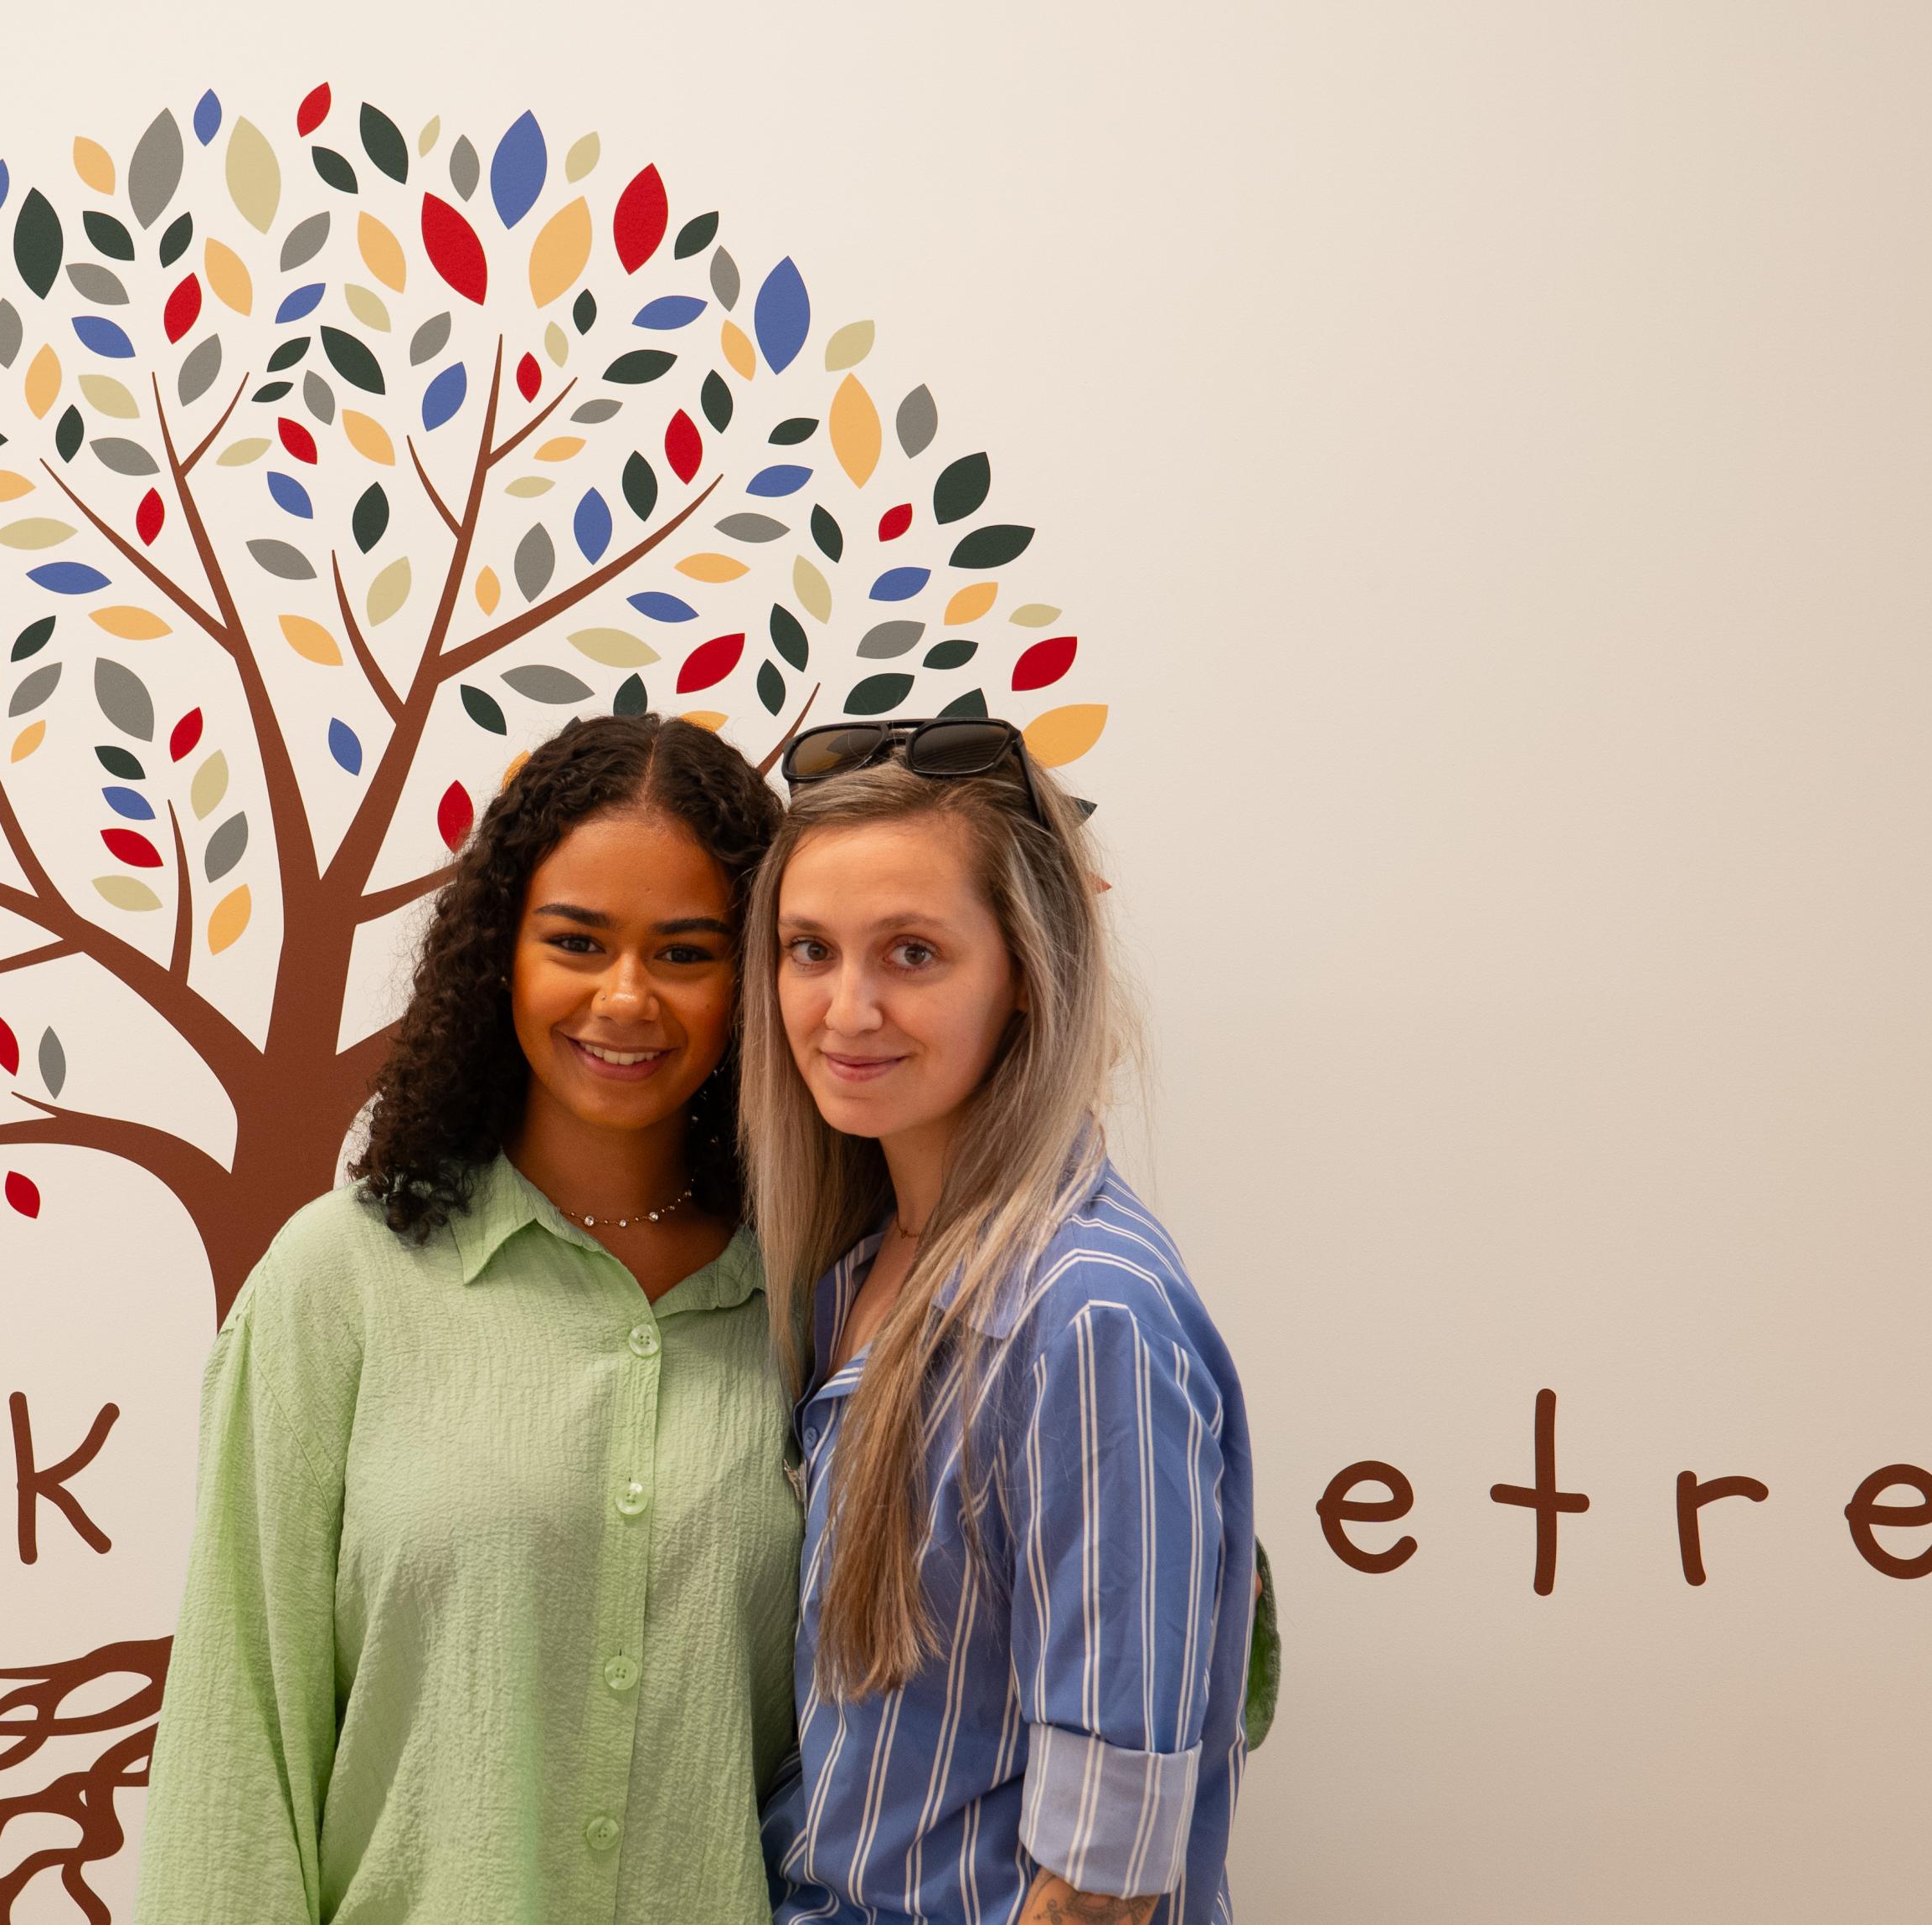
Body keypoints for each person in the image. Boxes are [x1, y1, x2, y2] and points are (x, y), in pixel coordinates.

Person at [138, 713, 801, 1924]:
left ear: (752, 981)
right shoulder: (341, 1281)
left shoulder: (819, 1301)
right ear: (502, 952)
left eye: (686, 952)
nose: (625, 997)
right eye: (577, 941)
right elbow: (239, 1731)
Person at [746, 718, 1255, 1925]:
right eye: (810, 949)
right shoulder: (849, 1274)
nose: (846, 1008)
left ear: (1024, 970)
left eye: (913, 953)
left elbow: (1106, 1874)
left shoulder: (1084, 1313)